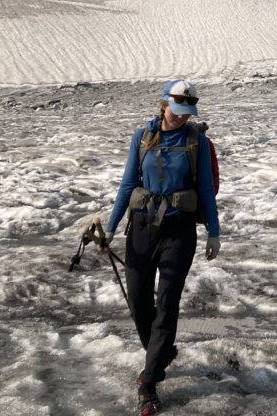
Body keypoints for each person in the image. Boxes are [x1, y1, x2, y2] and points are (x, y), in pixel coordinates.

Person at [103, 79, 220, 416]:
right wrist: (110, 228)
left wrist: (214, 232)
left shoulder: (197, 142)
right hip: (140, 229)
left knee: (167, 303)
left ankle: (148, 380)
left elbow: (206, 190)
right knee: (139, 302)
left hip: (179, 232)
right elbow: (128, 185)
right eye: (178, 110)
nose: (183, 117)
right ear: (164, 104)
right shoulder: (142, 138)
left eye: (188, 112)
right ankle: (162, 351)